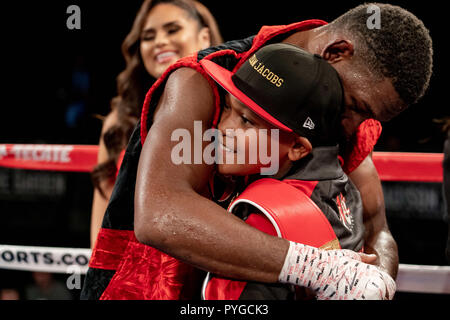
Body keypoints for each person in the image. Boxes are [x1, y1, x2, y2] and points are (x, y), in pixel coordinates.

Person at [81, 3, 433, 300]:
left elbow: (377, 227)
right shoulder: (204, 81)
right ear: (336, 52)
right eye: (356, 106)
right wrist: (319, 269)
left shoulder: (342, 112)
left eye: (367, 115)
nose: (353, 125)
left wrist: (377, 284)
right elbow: (159, 215)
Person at [200, 43, 395, 300]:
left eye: (247, 120)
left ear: (297, 147)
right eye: (227, 107)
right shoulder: (343, 183)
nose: (223, 127)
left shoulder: (266, 216)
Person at [90, 0, 223, 248]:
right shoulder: (120, 121)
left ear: (204, 37)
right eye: (148, 36)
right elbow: (102, 219)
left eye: (172, 30)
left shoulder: (230, 110)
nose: (160, 41)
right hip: (131, 272)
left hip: (205, 262)